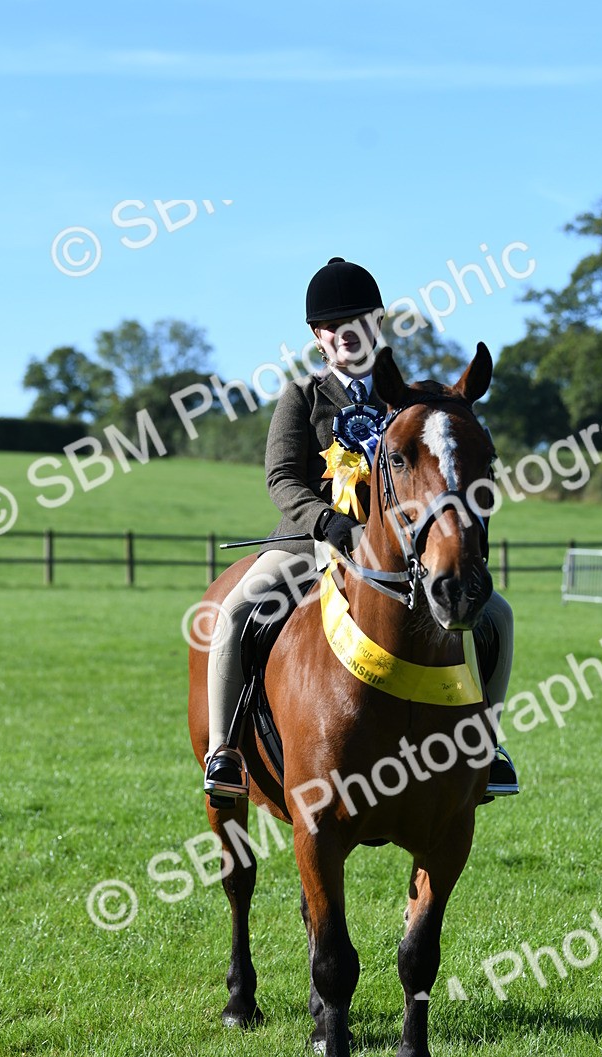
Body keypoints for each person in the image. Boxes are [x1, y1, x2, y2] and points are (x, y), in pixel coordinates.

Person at [203, 257, 519, 805]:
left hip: (396, 554)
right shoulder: (303, 397)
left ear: (377, 324)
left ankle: (485, 745)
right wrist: (330, 524)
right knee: (235, 613)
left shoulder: (409, 399)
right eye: (333, 325)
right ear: (319, 338)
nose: (346, 332)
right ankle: (225, 750)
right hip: (309, 543)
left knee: (497, 615)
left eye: (358, 319)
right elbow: (281, 478)